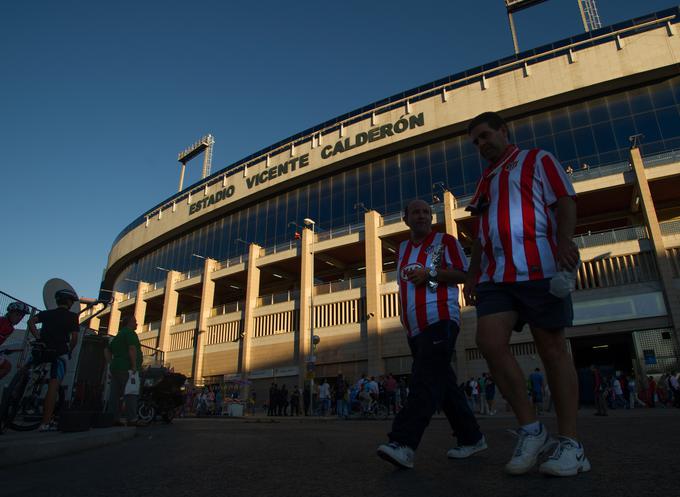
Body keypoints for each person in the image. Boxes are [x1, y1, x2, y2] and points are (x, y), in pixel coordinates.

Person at [464, 112, 589, 476]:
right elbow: (481, 230)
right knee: (488, 341)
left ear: (504, 131)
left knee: (552, 349)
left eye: (486, 136)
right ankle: (532, 429)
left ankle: (571, 444)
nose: (482, 144)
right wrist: (473, 275)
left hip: (539, 268)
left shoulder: (537, 159)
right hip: (497, 276)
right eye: (475, 142)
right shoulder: (485, 180)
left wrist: (564, 240)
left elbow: (565, 200)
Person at [377, 199, 485, 469]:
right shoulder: (401, 249)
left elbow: (465, 274)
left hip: (441, 320)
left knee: (423, 380)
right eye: (416, 212)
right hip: (415, 329)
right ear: (406, 219)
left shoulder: (444, 242)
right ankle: (471, 437)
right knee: (445, 386)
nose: (423, 216)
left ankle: (404, 443)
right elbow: (404, 288)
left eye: (426, 212)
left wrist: (430, 274)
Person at [27, 288, 80, 432]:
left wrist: (37, 335)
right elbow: (74, 338)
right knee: (53, 385)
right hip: (59, 352)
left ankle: (24, 393)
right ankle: (45, 422)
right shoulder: (72, 317)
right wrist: (70, 349)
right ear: (69, 302)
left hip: (41, 348)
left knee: (29, 373)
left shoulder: (46, 314)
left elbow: (31, 321)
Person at [104, 315, 144, 426]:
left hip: (116, 368)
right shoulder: (130, 333)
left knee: (115, 394)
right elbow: (132, 348)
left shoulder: (119, 335)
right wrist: (134, 365)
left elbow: (107, 350)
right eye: (135, 321)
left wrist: (110, 363)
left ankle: (113, 417)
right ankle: (132, 419)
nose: (137, 324)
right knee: (131, 393)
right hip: (127, 369)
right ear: (129, 322)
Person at [0, 302, 31, 379]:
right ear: (10, 312)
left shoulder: (10, 327)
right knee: (7, 367)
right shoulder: (3, 322)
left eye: (22, 316)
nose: (20, 318)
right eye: (17, 314)